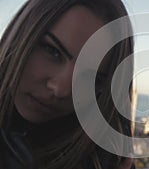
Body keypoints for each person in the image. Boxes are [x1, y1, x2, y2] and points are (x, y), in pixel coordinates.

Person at [0, 0, 134, 169]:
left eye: (91, 77)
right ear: (21, 37)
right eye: (52, 51)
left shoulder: (105, 158)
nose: (61, 90)